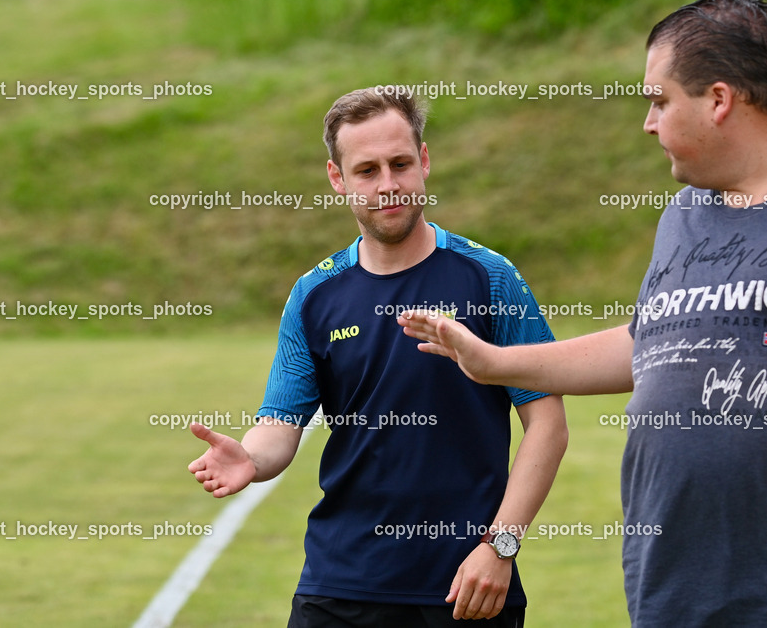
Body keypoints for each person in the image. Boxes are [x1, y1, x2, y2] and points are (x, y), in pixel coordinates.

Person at [399, 0, 767, 625]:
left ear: (719, 100)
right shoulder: (684, 215)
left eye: (659, 100)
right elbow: (655, 343)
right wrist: (495, 362)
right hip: (682, 598)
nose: (648, 123)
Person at [187, 87, 568, 627]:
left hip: (466, 586)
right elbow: (280, 423)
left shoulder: (490, 279)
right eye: (366, 170)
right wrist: (251, 458)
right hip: (339, 585)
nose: (388, 184)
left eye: (400, 164)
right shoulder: (314, 295)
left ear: (425, 161)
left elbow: (548, 424)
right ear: (337, 178)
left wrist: (500, 546)